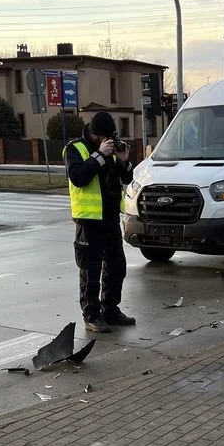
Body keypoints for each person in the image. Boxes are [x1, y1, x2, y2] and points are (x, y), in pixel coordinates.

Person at [65, 111, 136, 333]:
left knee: (117, 267)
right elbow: (78, 177)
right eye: (103, 138)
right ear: (94, 134)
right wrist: (99, 155)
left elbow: (126, 179)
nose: (107, 141)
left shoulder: (110, 149)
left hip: (110, 218)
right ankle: (92, 316)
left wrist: (124, 162)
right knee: (91, 271)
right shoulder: (75, 149)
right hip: (89, 221)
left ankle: (110, 309)